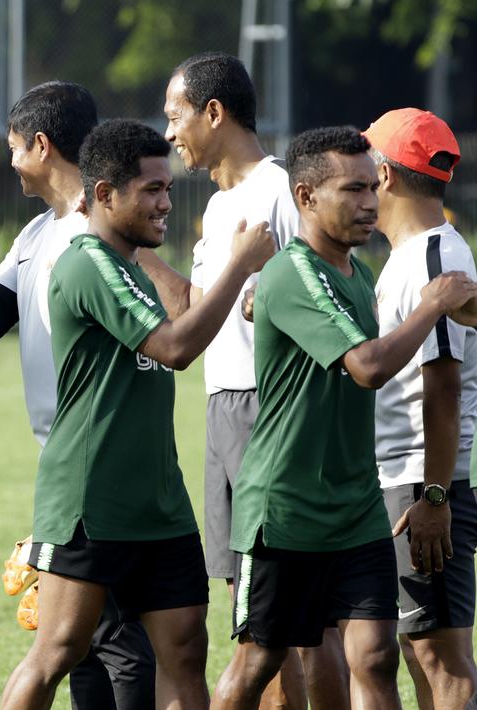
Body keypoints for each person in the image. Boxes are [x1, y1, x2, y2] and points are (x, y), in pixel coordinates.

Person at [0, 118, 276, 709]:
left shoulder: (133, 265)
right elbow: (176, 348)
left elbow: (183, 326)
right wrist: (240, 265)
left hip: (160, 503)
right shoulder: (85, 261)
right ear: (103, 195)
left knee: (186, 652)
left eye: (168, 188)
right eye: (151, 190)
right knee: (58, 651)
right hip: (92, 501)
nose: (166, 202)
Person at [0, 81, 157, 710]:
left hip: (106, 460)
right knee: (94, 642)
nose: (10, 160)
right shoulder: (39, 232)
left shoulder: (104, 233)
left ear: (41, 146)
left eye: (15, 147)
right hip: (64, 462)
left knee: (115, 640)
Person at [212, 126, 477, 709]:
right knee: (258, 661)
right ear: (305, 197)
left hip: (354, 507)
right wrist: (434, 302)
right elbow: (367, 366)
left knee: (377, 657)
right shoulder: (297, 271)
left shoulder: (357, 274)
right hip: (285, 508)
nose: (368, 203)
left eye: (370, 189)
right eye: (351, 190)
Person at [161, 51, 347, 709]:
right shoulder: (217, 209)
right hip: (225, 406)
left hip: (273, 411)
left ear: (213, 112)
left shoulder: (278, 189)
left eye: (174, 115)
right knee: (255, 605)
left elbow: (326, 288)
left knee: (296, 617)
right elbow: (195, 309)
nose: (168, 133)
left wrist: (267, 292)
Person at [365, 108, 477, 709]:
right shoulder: (417, 254)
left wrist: (435, 497)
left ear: (383, 176)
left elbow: (443, 386)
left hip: (420, 485)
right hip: (407, 481)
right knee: (414, 650)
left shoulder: (436, 258)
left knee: (439, 656)